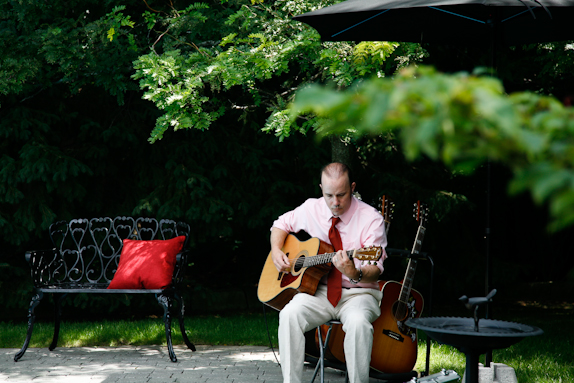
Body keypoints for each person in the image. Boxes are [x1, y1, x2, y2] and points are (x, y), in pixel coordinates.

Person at [270, 162, 388, 383]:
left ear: (352, 187)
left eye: (341, 195)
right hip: (318, 291)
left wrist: (354, 272)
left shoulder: (371, 219)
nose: (335, 202)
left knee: (358, 323)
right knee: (289, 314)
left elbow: (376, 269)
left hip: (359, 294)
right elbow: (279, 225)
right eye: (329, 195)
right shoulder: (311, 208)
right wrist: (277, 251)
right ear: (320, 189)